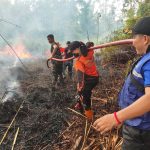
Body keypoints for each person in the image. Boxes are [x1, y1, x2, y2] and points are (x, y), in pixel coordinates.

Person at [93, 17, 150, 150]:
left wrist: (116, 117)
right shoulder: (146, 58)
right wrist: (125, 117)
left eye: (134, 37)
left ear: (145, 39)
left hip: (141, 133)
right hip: (137, 124)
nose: (132, 42)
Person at [69, 41, 99, 120]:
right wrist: (87, 45)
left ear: (77, 49)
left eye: (73, 51)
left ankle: (88, 114)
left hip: (88, 79)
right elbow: (91, 43)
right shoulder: (90, 51)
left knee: (85, 96)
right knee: (81, 93)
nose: (72, 53)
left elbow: (80, 76)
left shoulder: (78, 61)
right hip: (95, 78)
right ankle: (78, 102)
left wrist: (80, 85)